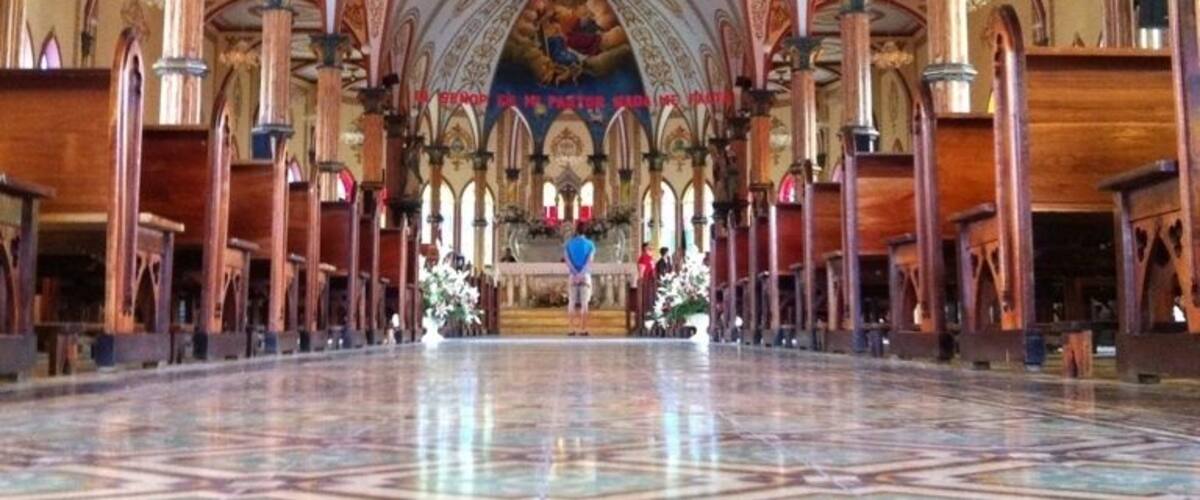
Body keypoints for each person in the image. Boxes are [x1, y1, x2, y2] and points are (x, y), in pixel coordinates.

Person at [564, 221, 596, 337]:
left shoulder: (569, 244)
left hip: (573, 276)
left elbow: (567, 260)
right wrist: (581, 274)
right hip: (585, 276)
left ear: (576, 230)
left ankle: (571, 328)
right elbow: (589, 261)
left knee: (571, 303)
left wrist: (575, 273)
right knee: (584, 304)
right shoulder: (590, 244)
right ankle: (583, 328)